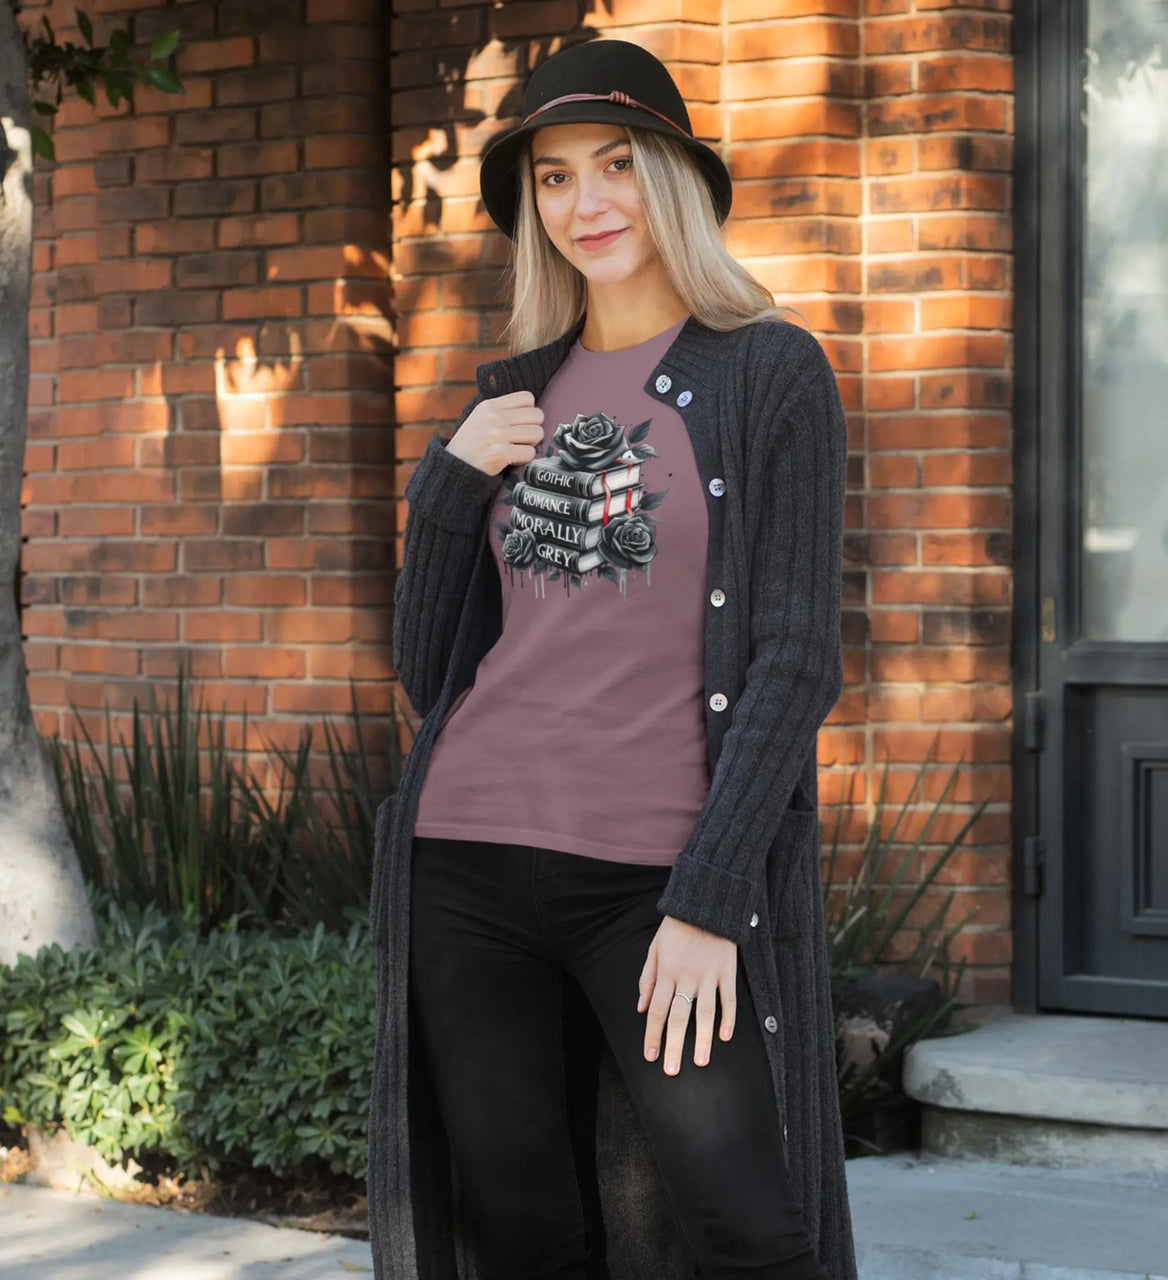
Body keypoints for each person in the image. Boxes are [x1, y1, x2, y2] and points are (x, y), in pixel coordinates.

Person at [367, 37, 858, 1280]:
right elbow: (433, 672)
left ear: (675, 180)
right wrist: (447, 480)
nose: (583, 204)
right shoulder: (513, 397)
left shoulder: (767, 373)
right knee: (523, 1232)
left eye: (616, 165)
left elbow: (794, 658)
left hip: (654, 877)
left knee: (749, 1227)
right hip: (466, 862)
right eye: (551, 177)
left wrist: (705, 897)